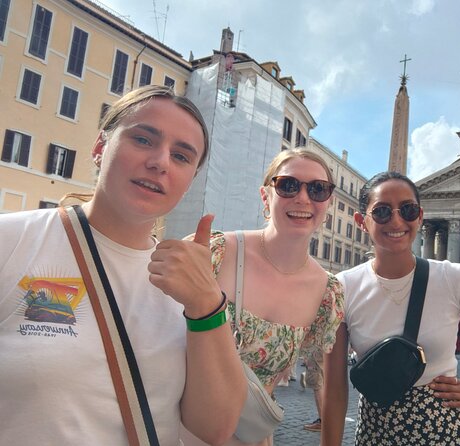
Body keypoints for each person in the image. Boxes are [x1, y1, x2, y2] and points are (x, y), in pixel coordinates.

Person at [0, 85, 246, 445]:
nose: (160, 161)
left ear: (190, 180)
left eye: (181, 157)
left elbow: (215, 428)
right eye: (144, 139)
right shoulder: (12, 240)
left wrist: (207, 304)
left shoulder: (191, 286)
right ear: (101, 147)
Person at [321, 171, 460, 445]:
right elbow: (334, 388)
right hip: (376, 432)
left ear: (420, 216)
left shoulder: (454, 277)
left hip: (444, 431)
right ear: (362, 222)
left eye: (408, 210)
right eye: (381, 211)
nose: (396, 220)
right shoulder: (341, 287)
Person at [200, 149, 344, 445]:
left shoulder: (327, 291)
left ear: (327, 203)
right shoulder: (216, 251)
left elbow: (324, 379)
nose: (303, 198)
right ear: (266, 197)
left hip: (251, 435)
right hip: (178, 428)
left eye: (317, 189)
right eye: (288, 185)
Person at [302, 350, 325, 432]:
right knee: (323, 380)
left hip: (317, 347)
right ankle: (327, 420)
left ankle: (323, 421)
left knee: (317, 384)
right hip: (328, 346)